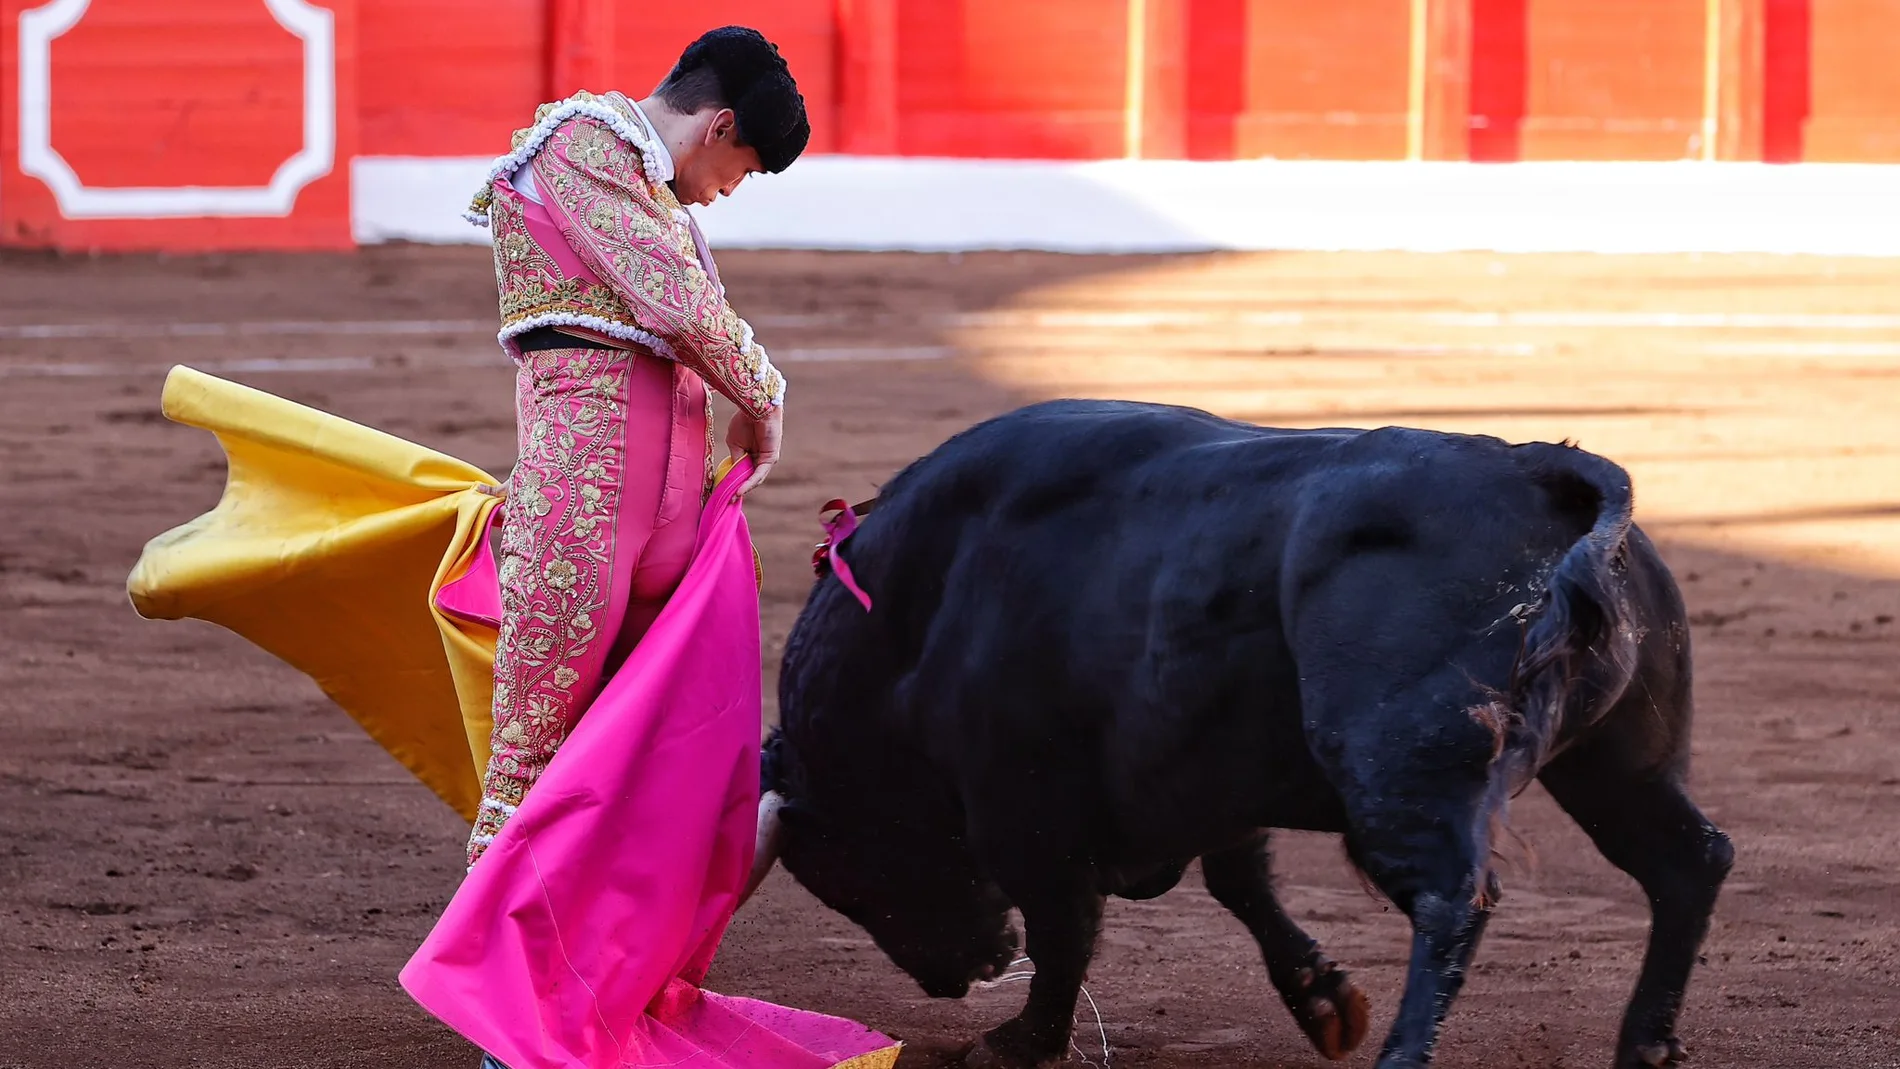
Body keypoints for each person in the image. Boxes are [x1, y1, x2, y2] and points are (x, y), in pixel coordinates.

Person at [462, 25, 807, 869]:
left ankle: (611, 968)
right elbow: (681, 310)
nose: (729, 191)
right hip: (584, 491)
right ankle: (497, 982)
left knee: (649, 751)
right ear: (719, 127)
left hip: (658, 496)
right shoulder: (580, 146)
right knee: (531, 754)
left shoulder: (651, 189)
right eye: (744, 170)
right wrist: (765, 395)